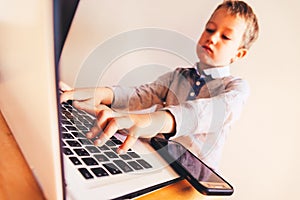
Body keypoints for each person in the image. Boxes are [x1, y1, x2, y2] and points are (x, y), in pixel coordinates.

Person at [60, 0, 259, 169]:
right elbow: (140, 95)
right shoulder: (177, 76)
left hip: (193, 181)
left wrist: (150, 121)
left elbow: (201, 113)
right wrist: (99, 94)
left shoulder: (236, 90)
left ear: (239, 53)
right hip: (156, 160)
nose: (212, 38)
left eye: (225, 37)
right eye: (210, 29)